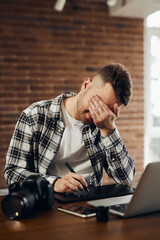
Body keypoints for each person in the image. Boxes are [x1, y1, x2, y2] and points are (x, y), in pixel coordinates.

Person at [4, 63, 135, 193]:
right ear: (85, 85)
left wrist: (109, 130)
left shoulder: (104, 123)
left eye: (107, 110)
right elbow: (12, 173)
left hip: (90, 203)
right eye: (97, 102)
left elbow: (124, 179)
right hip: (47, 201)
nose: (99, 114)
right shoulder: (35, 115)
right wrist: (53, 183)